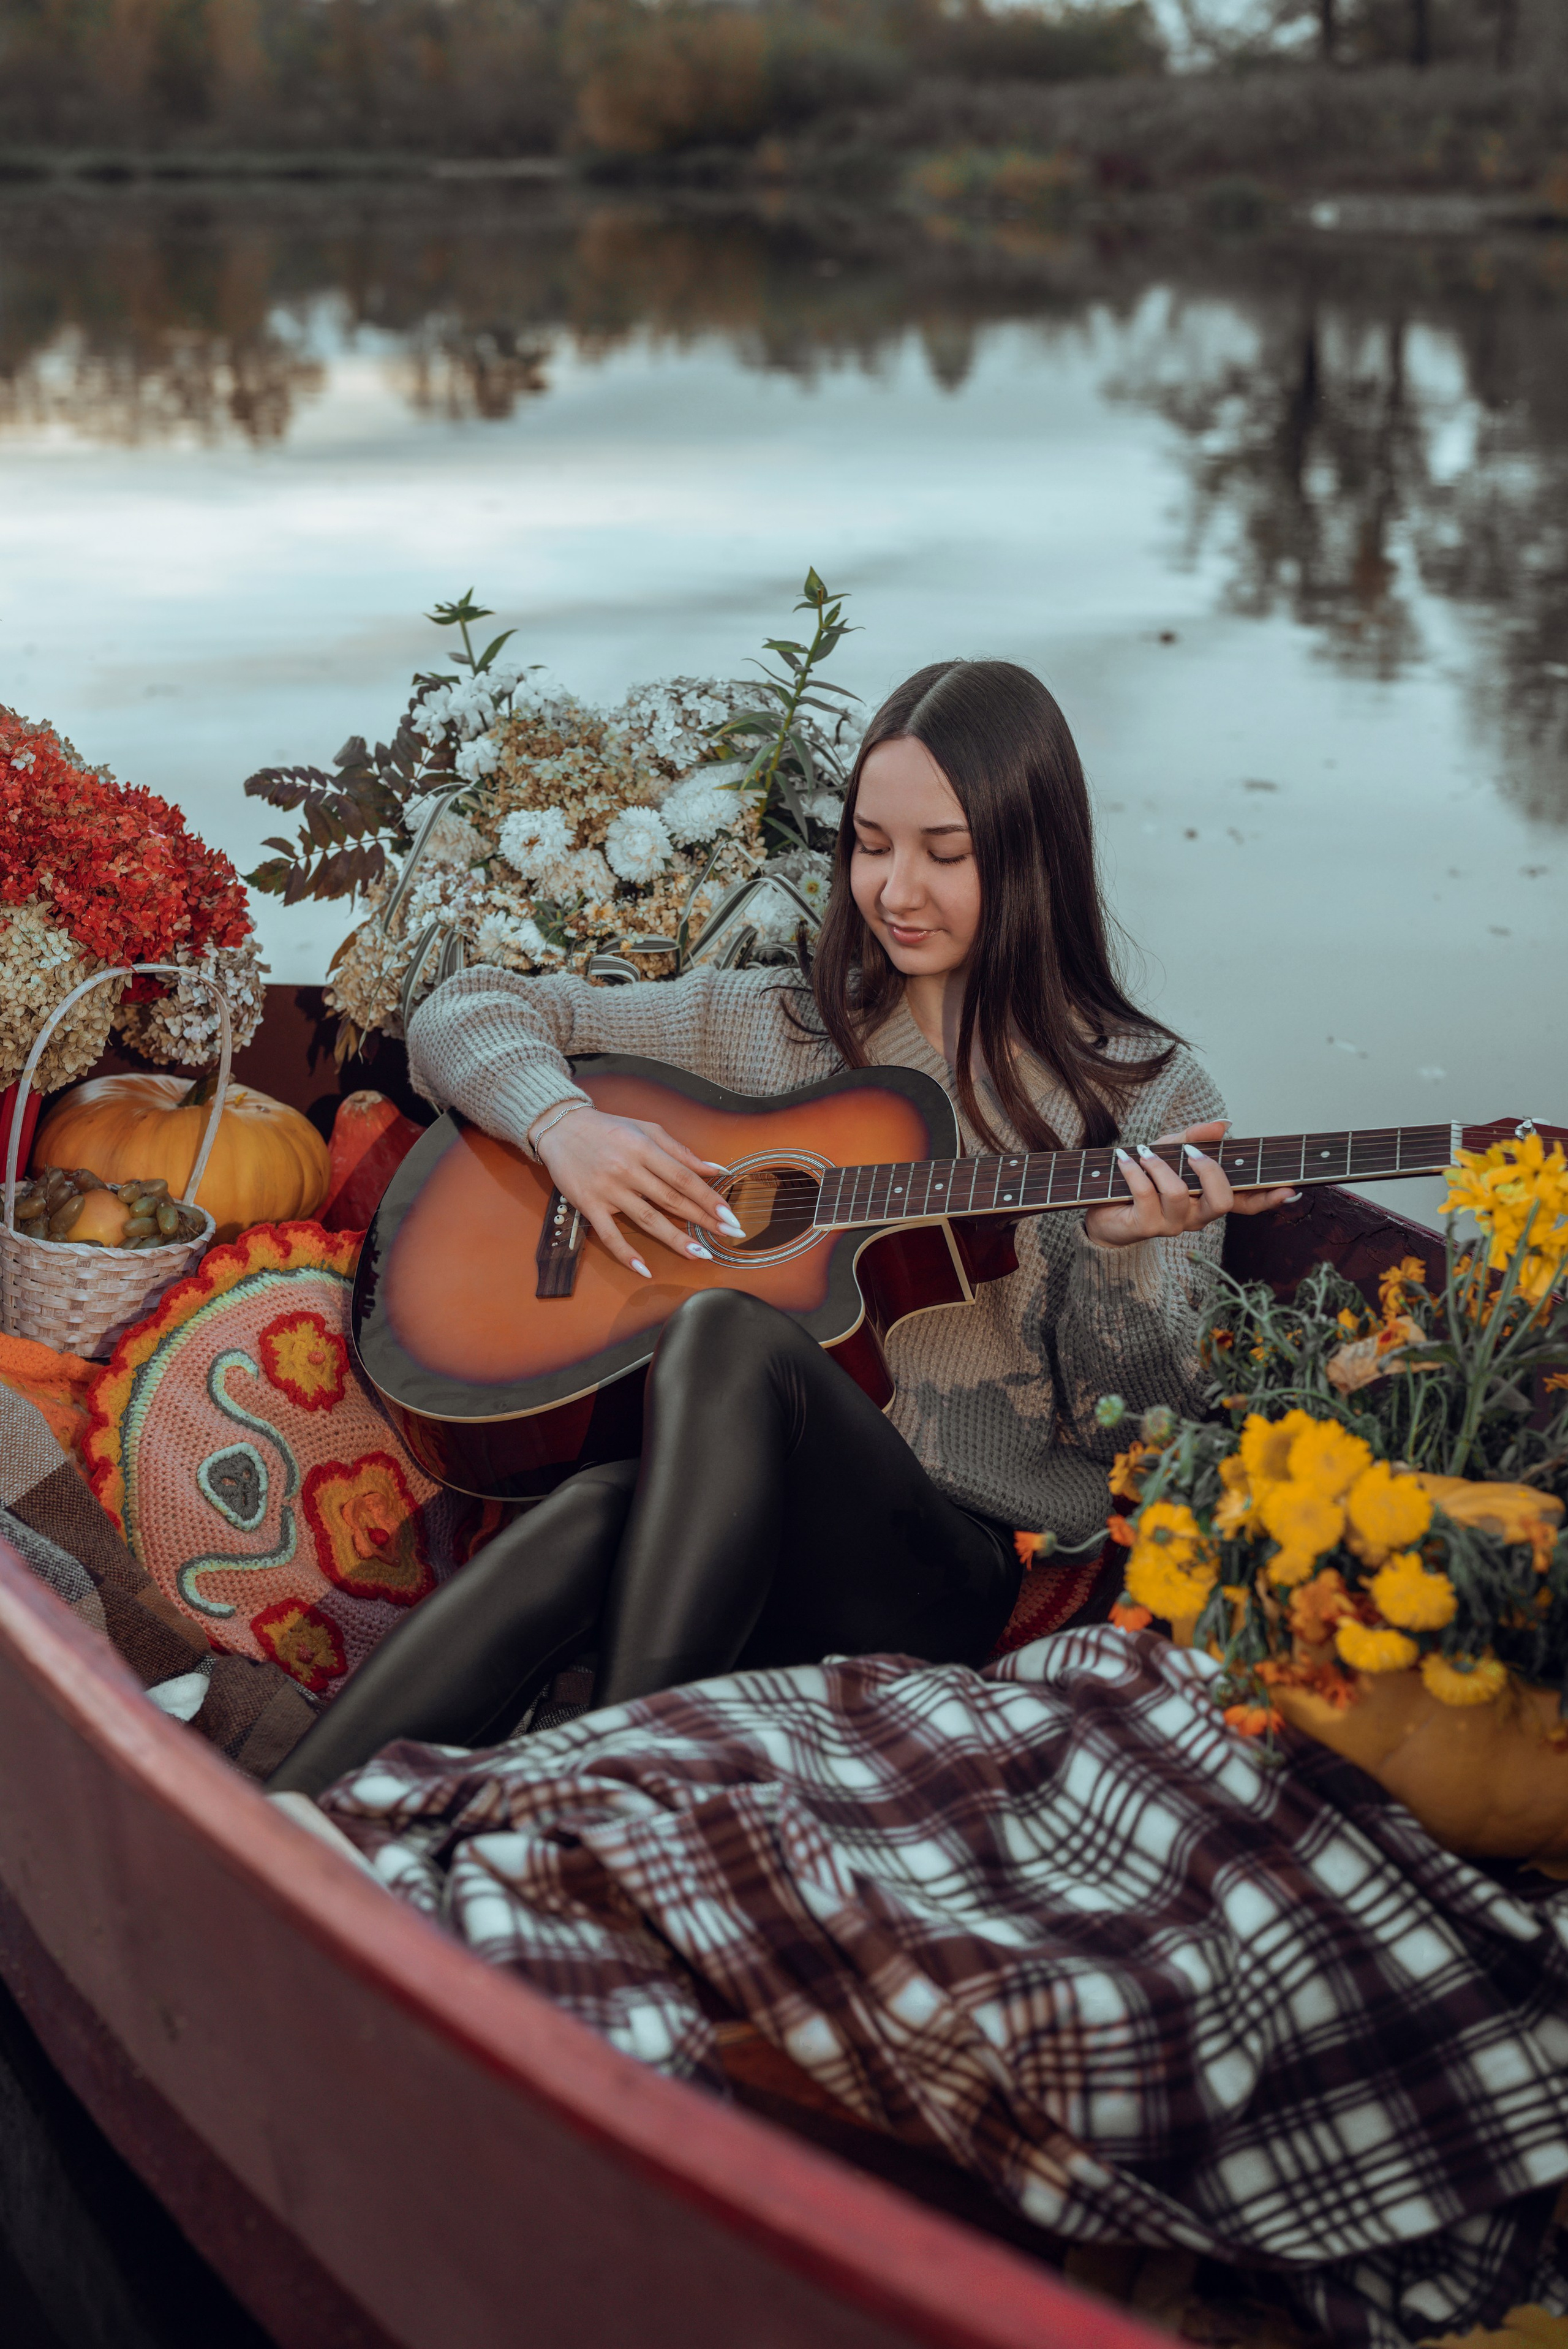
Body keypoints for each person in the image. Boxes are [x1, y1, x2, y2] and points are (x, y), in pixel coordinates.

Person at [270, 659, 1293, 1800]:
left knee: (725, 1333)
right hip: (730, 1522)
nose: (896, 889)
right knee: (594, 1510)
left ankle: (603, 1797)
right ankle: (276, 1825)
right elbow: (463, 1009)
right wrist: (565, 1127)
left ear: (1032, 853)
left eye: (945, 854)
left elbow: (1142, 1437)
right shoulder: (777, 1023)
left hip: (941, 1565)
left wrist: (1121, 1257)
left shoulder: (1144, 1097)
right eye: (871, 844)